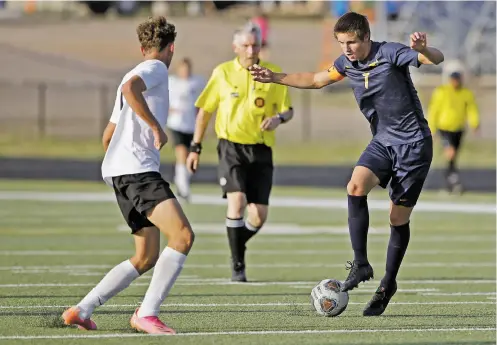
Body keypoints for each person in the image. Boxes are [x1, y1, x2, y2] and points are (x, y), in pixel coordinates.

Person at [249, 12, 444, 316]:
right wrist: (275, 77)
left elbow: (436, 59)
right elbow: (315, 80)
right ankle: (361, 264)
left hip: (413, 147)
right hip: (382, 142)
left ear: (366, 37)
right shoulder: (345, 63)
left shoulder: (390, 52)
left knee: (396, 219)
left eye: (351, 42)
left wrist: (422, 49)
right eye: (341, 43)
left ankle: (387, 283)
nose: (347, 49)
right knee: (355, 185)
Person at [61, 16, 194, 334]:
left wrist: (118, 170)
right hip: (138, 172)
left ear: (142, 47)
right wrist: (154, 126)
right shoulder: (155, 69)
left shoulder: (134, 71)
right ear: (170, 48)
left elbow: (109, 134)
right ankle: (146, 314)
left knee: (145, 256)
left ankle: (83, 309)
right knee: (183, 236)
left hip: (121, 175)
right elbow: (130, 89)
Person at [186, 22, 293, 282]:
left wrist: (279, 119)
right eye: (244, 45)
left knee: (259, 216)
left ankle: (237, 241)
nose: (250, 49)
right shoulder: (222, 73)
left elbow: (288, 110)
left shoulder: (273, 73)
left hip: (261, 149)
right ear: (235, 47)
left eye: (254, 44)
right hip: (230, 146)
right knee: (237, 202)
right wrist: (195, 147)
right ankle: (238, 265)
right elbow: (205, 111)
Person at [428, 71, 480, 194]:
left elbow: (472, 109)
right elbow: (434, 110)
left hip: (458, 129)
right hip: (444, 128)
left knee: (454, 155)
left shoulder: (466, 93)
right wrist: (432, 128)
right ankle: (452, 177)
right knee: (450, 153)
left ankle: (451, 178)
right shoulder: (442, 92)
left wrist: (475, 123)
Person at [167, 57, 205, 200]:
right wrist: (168, 109)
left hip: (192, 125)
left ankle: (180, 179)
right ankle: (183, 189)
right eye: (182, 68)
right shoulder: (172, 82)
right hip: (176, 123)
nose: (185, 71)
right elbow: (164, 99)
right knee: (181, 153)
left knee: (190, 157)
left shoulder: (197, 82)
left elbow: (202, 101)